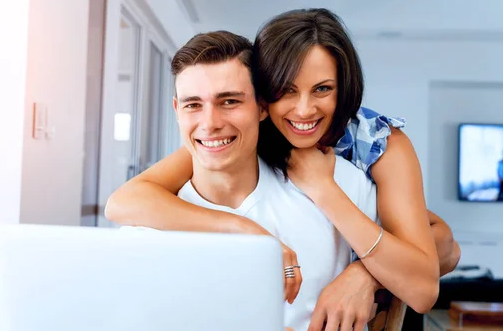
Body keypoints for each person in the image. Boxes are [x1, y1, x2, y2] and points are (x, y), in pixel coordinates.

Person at [106, 9, 460, 327]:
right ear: (265, 99)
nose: (303, 111)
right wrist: (247, 231)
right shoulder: (236, 138)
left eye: (322, 89)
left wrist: (360, 268)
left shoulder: (373, 147)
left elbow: (443, 245)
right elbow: (126, 201)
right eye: (286, 91)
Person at [161, 30, 379, 330]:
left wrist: (367, 274)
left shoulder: (335, 181)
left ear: (263, 106)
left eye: (229, 101)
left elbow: (436, 246)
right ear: (177, 110)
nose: (210, 124)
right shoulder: (147, 229)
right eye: (193, 105)